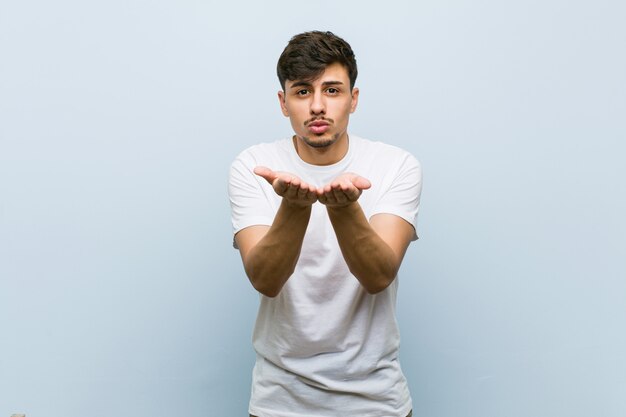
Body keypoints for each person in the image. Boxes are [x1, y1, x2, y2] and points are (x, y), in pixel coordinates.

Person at [229, 31, 422, 417]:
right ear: (284, 103)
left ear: (354, 99)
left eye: (332, 90)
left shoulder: (396, 165)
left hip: (376, 402)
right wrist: (294, 208)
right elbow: (265, 280)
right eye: (302, 92)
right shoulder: (254, 165)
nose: (317, 105)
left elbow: (378, 276)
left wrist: (344, 208)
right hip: (279, 403)